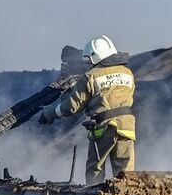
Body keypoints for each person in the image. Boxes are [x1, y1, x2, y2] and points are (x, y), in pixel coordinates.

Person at [39, 35, 136, 184]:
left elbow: (73, 106)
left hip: (105, 126)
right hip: (127, 126)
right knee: (125, 171)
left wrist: (51, 112)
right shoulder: (127, 73)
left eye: (89, 59)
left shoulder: (91, 76)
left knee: (95, 169)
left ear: (95, 56)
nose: (88, 63)